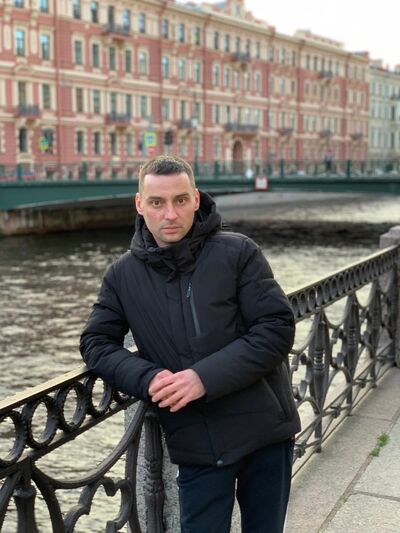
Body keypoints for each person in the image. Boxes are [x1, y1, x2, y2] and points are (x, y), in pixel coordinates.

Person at [80, 155, 301, 533]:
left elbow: (276, 328)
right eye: (157, 202)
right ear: (139, 205)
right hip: (198, 442)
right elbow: (96, 343)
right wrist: (147, 378)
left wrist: (202, 378)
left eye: (180, 200)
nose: (170, 214)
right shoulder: (122, 275)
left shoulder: (238, 252)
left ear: (196, 199)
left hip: (264, 432)